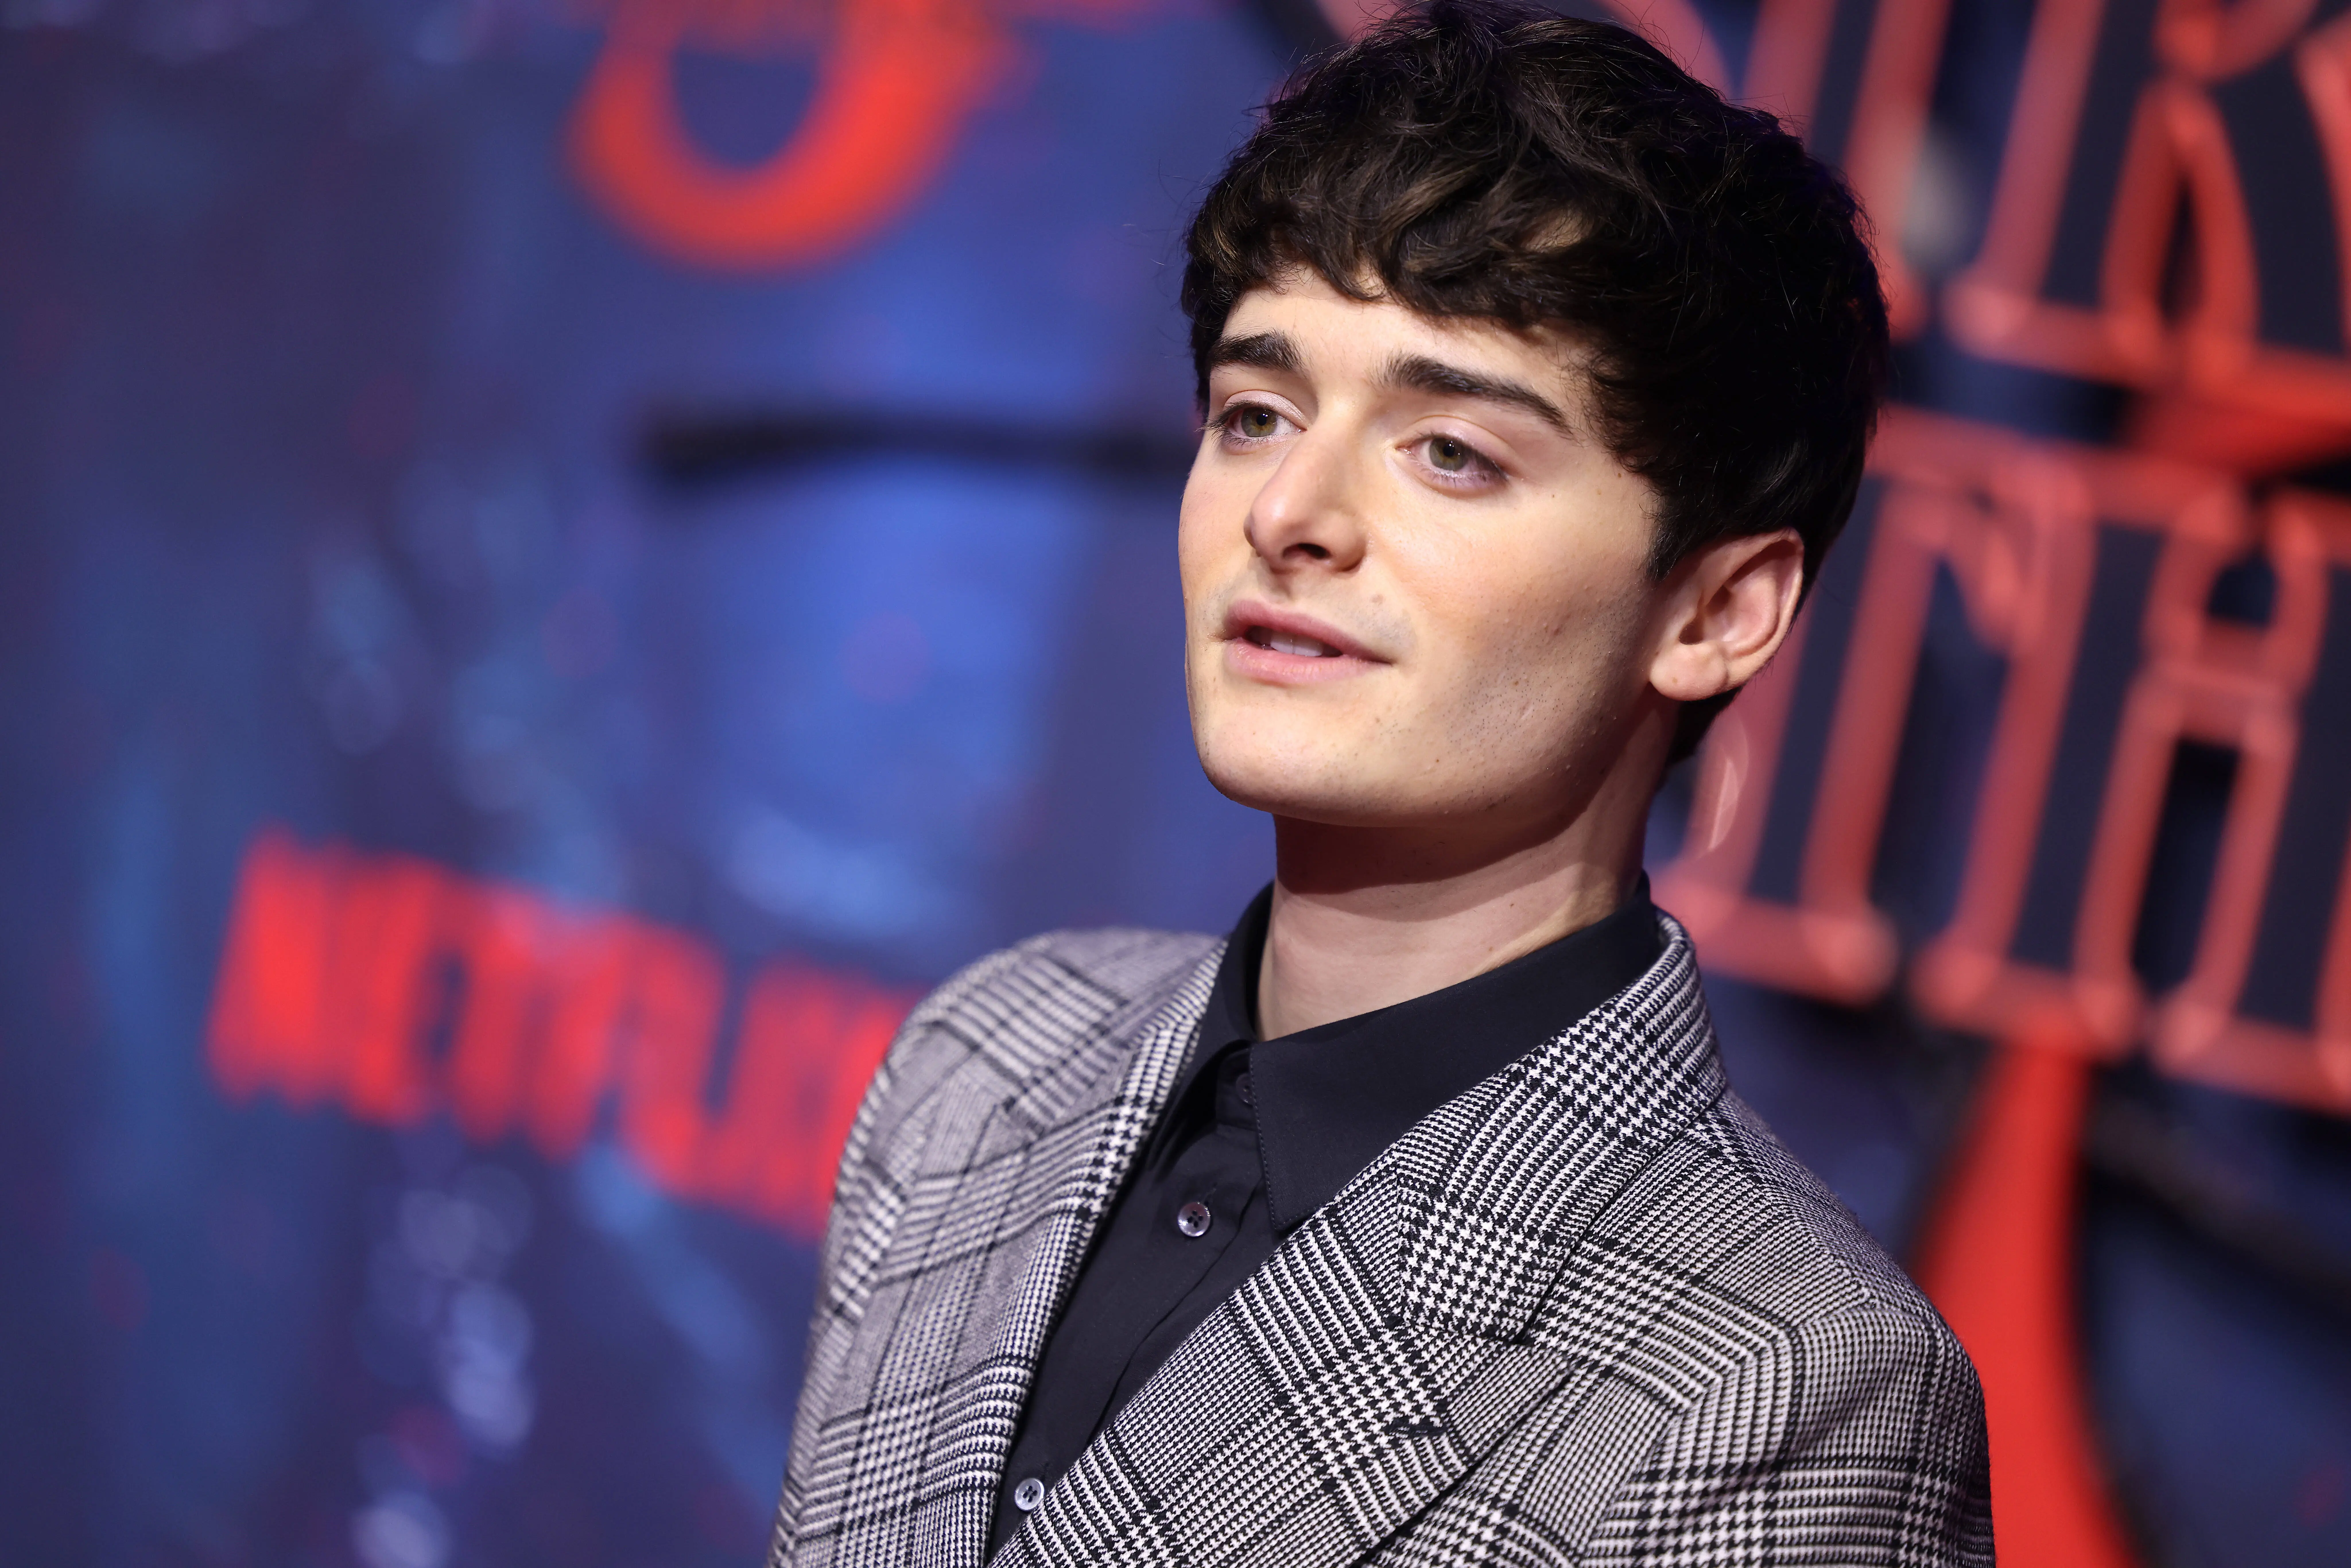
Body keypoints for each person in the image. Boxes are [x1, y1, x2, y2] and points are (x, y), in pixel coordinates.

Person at [768, 4, 1993, 1563]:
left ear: (1715, 609)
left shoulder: (1785, 1385)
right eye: (1256, 413)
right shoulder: (987, 1062)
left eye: (1451, 453)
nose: (1292, 509)